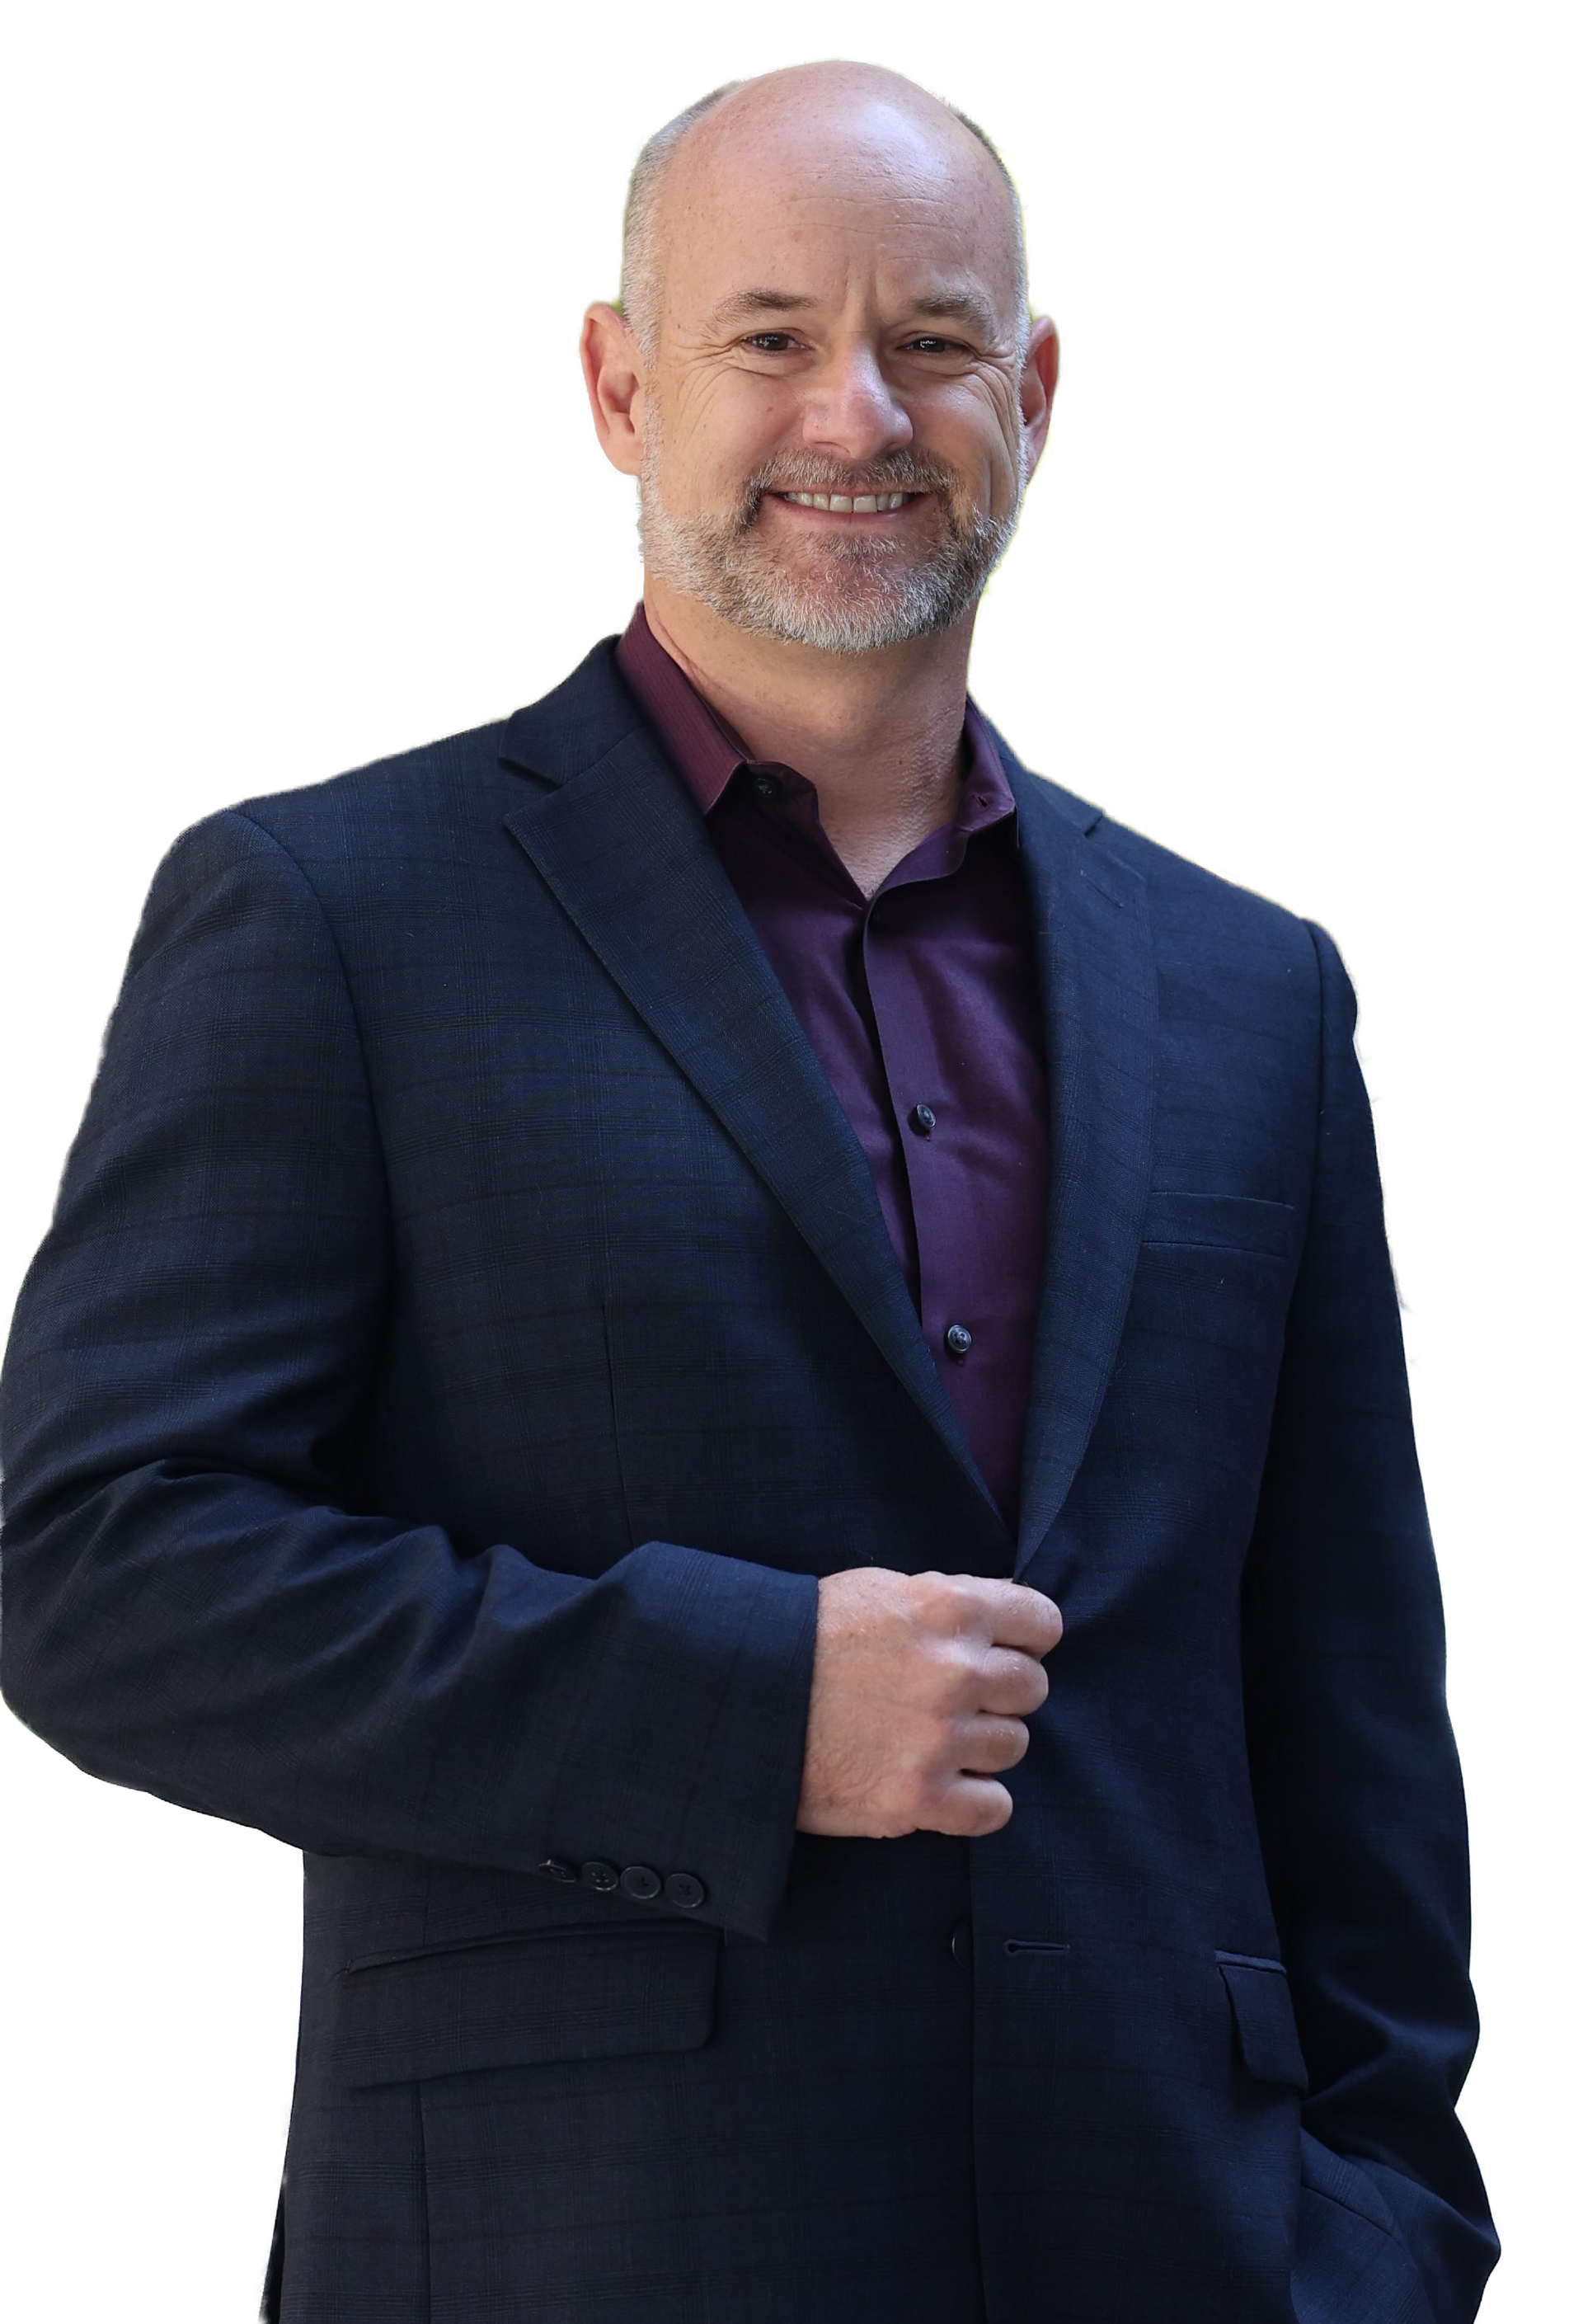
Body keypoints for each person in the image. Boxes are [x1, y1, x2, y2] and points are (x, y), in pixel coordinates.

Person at [0, 59, 1496, 2324]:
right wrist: (738, 1707)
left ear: (1039, 393)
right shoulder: (335, 915)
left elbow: (1349, 1692)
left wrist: (1385, 2226)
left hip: (1184, 2253)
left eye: (936, 340)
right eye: (770, 336)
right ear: (619, 386)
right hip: (574, 2251)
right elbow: (99, 1567)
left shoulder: (1249, 992)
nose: (857, 412)